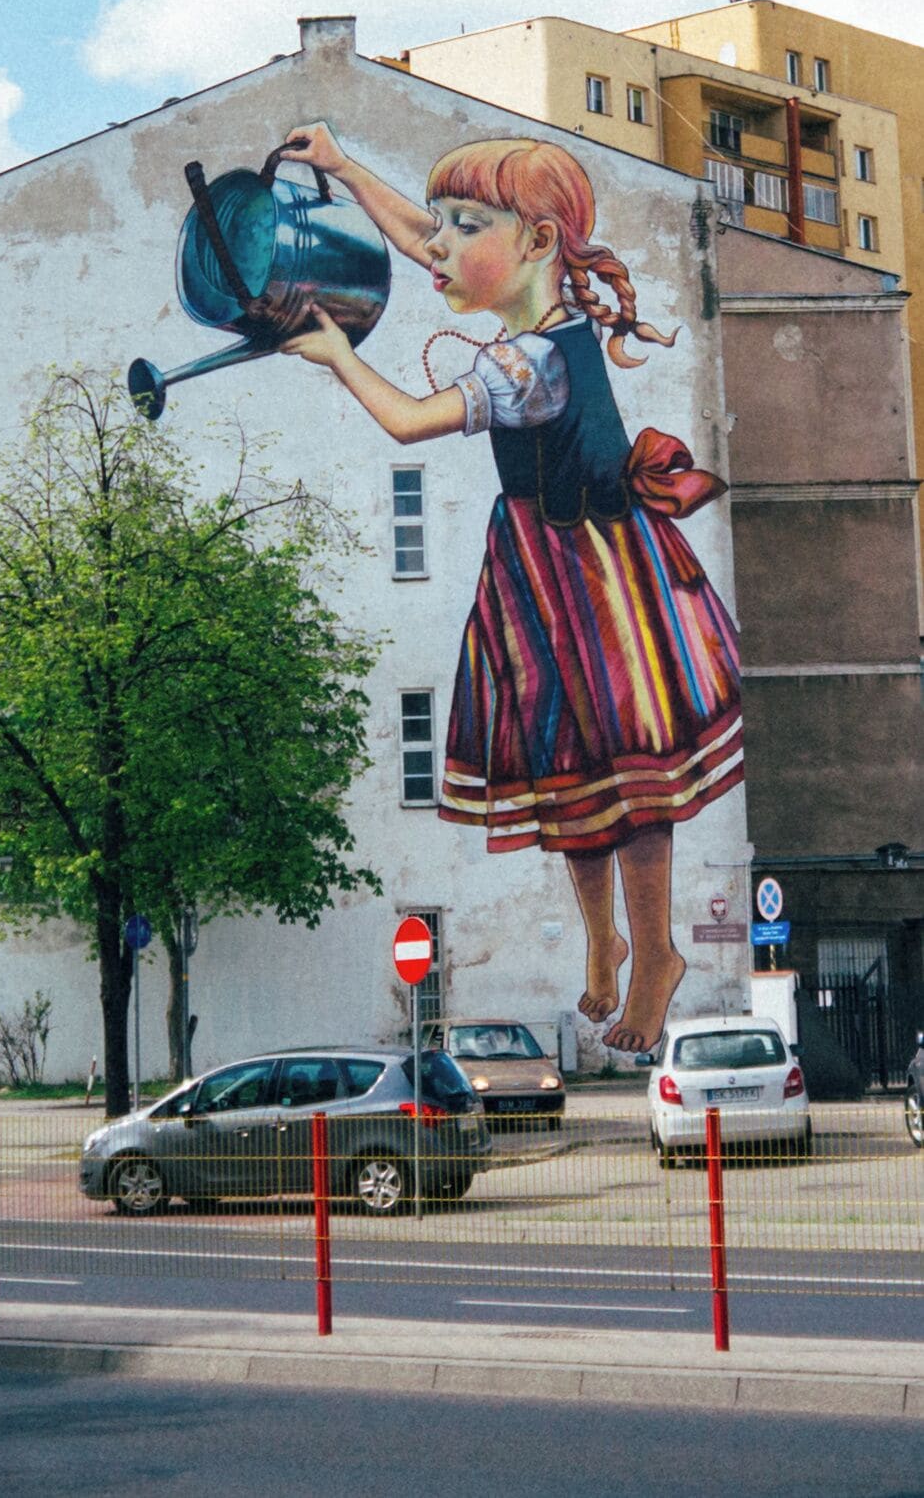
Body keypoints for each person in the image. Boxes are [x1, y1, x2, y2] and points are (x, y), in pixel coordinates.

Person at [279, 125, 742, 1055]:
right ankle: (602, 944)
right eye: (445, 223)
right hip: (541, 573)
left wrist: (339, 356)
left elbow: (410, 422)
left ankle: (655, 953)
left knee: (631, 765)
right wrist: (341, 163)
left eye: (466, 226)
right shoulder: (539, 320)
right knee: (570, 770)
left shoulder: (524, 366)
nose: (438, 246)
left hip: (601, 580)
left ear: (535, 242)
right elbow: (418, 237)